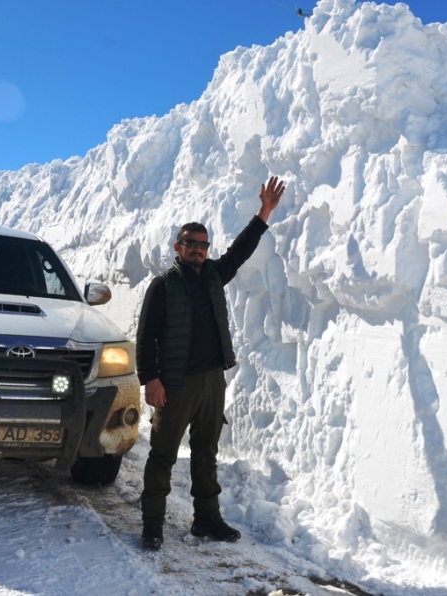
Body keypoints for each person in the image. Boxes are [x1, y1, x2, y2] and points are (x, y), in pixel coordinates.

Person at [136, 175, 286, 550]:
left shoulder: (216, 275)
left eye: (203, 245)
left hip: (211, 381)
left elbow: (241, 250)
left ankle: (207, 519)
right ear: (178, 246)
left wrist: (263, 213)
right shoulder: (163, 285)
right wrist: (150, 380)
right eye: (191, 244)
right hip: (174, 384)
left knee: (206, 454)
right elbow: (145, 337)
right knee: (163, 456)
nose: (199, 250)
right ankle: (152, 524)